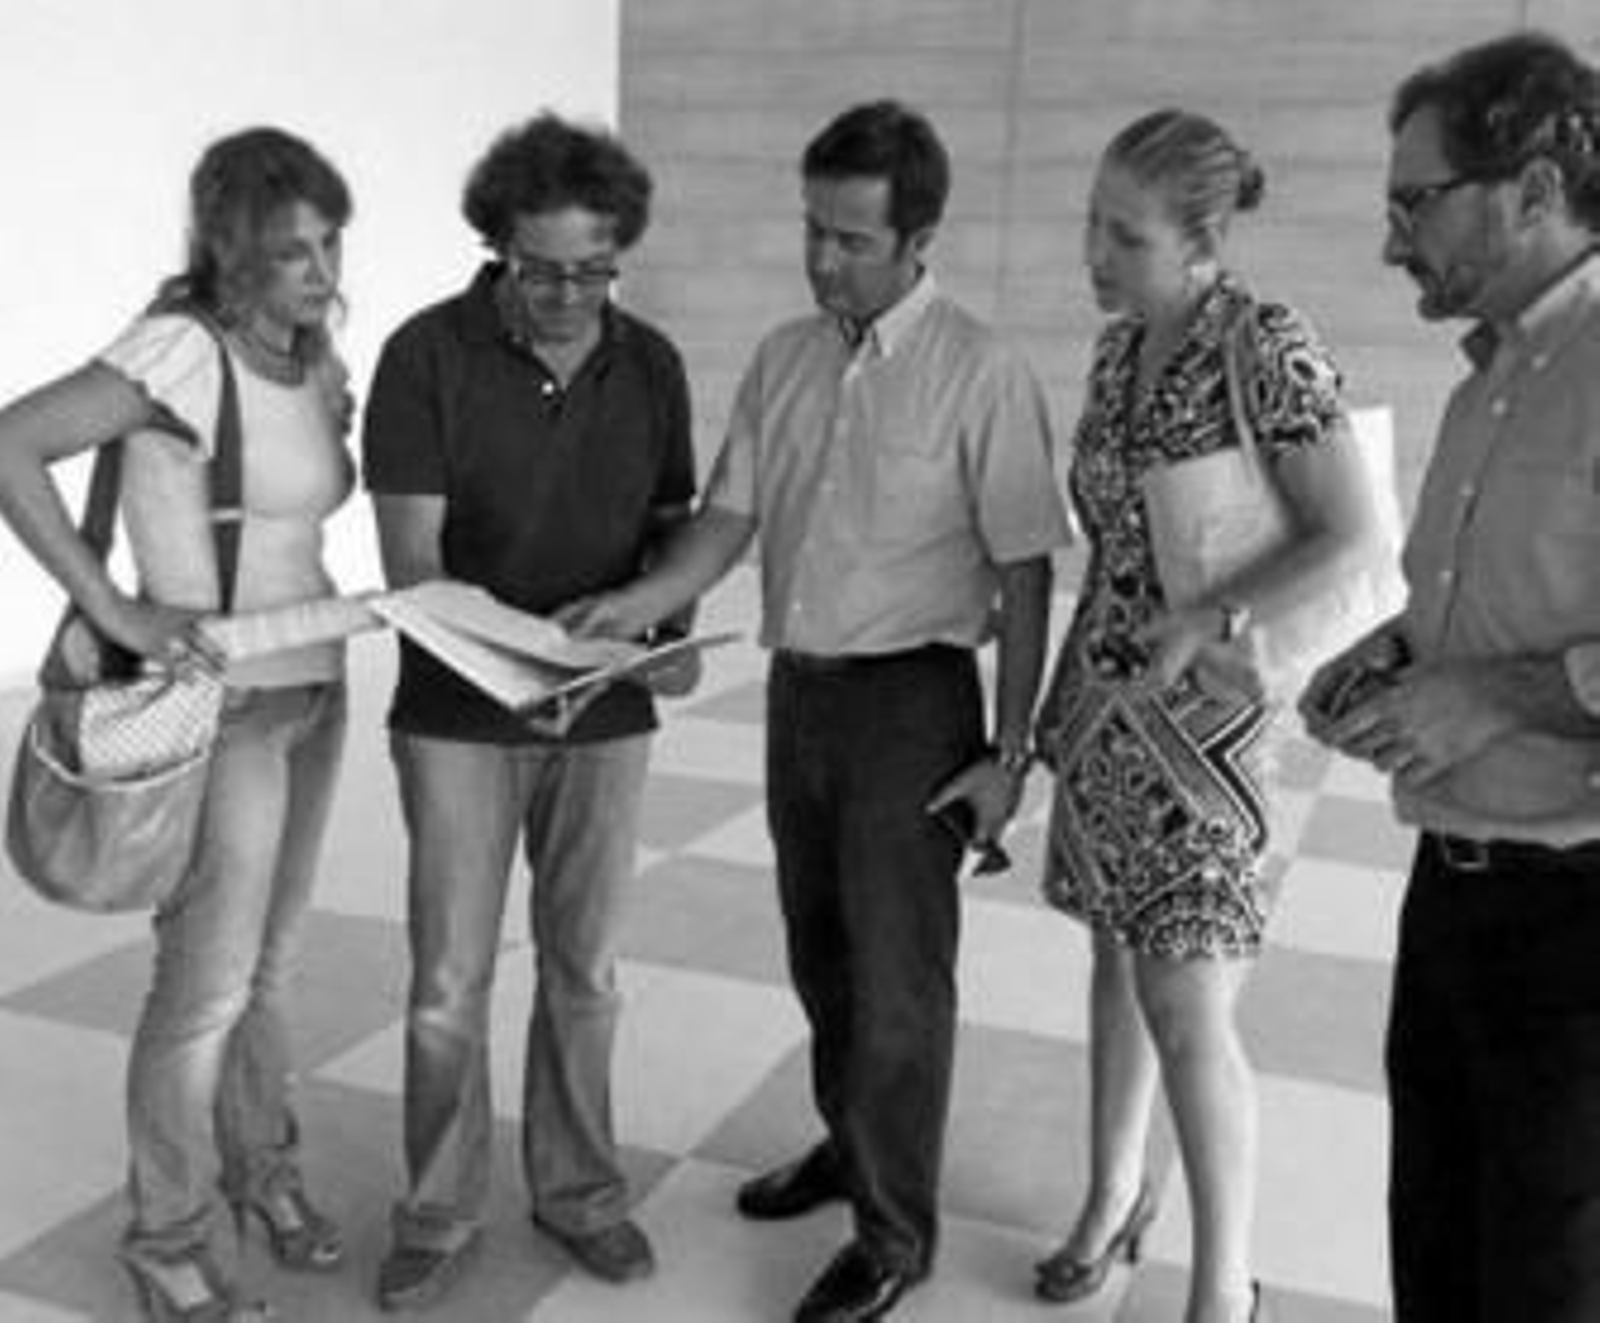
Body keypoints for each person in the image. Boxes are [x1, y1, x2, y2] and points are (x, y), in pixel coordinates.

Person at [564, 98, 1071, 1322]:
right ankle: (851, 1144)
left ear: (918, 241)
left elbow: (1024, 571)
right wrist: (635, 606)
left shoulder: (982, 370)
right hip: (799, 696)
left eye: (851, 240)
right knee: (821, 952)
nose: (822, 259)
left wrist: (1011, 756)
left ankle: (894, 1237)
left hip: (913, 704)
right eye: (812, 231)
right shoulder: (784, 358)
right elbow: (727, 522)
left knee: (899, 981)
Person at [0, 127, 355, 1320]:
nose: (322, 271)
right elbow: (10, 441)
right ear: (231, 250)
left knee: (272, 971)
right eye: (294, 252)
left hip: (313, 687)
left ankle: (264, 1172)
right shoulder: (178, 349)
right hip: (223, 705)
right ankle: (166, 1237)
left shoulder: (306, 352)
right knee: (205, 987)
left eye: (330, 243)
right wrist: (116, 609)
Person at [1031, 110, 1380, 1323]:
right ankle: (1112, 1192)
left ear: (1202, 242)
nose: (1096, 254)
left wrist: (1216, 618)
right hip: (1106, 711)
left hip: (1212, 726)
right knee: (1113, 957)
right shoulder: (1116, 352)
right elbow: (1110, 551)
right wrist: (1054, 708)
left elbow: (1352, 534)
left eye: (1125, 237)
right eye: (1092, 223)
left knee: (1186, 996)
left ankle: (1224, 1279)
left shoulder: (1264, 343)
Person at [361, 112, 696, 1311]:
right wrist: (525, 670)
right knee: (448, 979)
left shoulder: (650, 364)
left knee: (585, 969)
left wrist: (661, 637)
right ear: (496, 245)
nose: (566, 296)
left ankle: (580, 1196)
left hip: (601, 715)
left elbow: (670, 531)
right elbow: (413, 568)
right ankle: (438, 1210)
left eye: (593, 270)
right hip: (457, 714)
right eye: (539, 268)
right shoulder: (424, 356)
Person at [1301, 32, 1600, 1323]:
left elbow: (1518, 671)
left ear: (1533, 188)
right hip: (1454, 892)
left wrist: (1502, 697)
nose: (1391, 244)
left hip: (1578, 918)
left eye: (1414, 204)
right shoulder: (1493, 377)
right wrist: (1399, 655)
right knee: (1437, 1245)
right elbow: (1505, 601)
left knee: (1545, 1279)